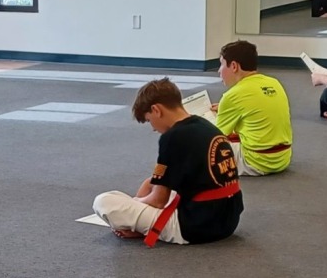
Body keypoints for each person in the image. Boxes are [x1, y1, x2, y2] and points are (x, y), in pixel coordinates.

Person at [92, 78, 242, 246]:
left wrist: (135, 204)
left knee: (104, 201)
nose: (153, 128)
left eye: (149, 120)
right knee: (150, 183)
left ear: (156, 110)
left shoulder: (172, 137)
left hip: (195, 227)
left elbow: (158, 201)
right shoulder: (206, 126)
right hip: (227, 220)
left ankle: (138, 225)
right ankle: (139, 221)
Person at [213, 40, 292, 175]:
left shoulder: (232, 96)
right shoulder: (275, 83)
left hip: (255, 162)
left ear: (234, 66)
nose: (219, 71)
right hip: (282, 159)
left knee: (198, 142)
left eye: (221, 64)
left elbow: (215, 138)